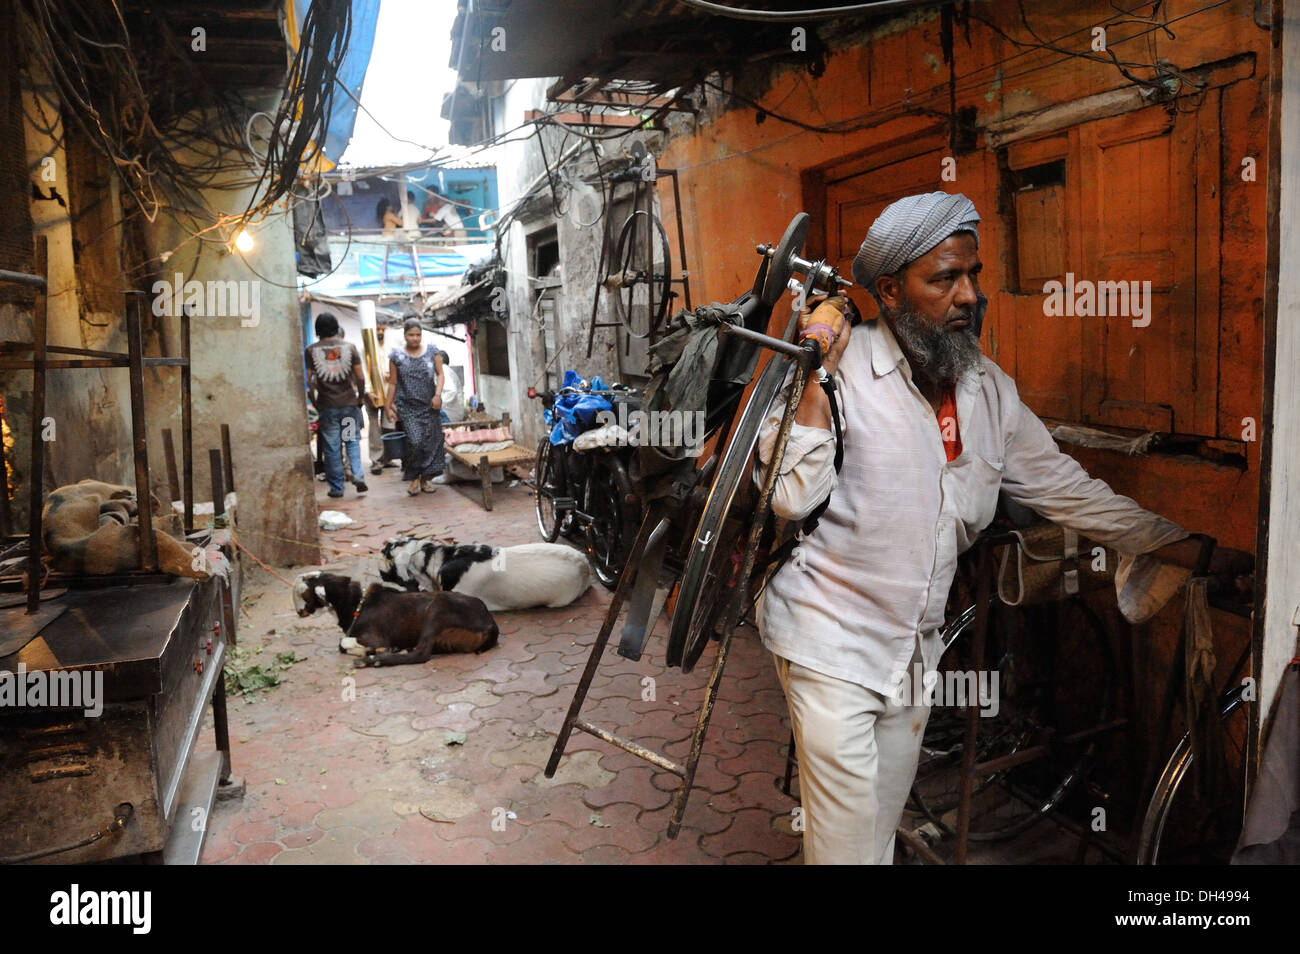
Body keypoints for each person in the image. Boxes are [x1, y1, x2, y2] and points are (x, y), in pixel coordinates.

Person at [753, 191, 1252, 865]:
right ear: (892, 291)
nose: (968, 296)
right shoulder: (843, 374)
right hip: (827, 642)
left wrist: (1187, 548)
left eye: (973, 275)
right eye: (944, 279)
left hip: (912, 653)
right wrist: (816, 376)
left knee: (874, 830)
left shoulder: (987, 390)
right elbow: (788, 496)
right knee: (845, 848)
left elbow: (1065, 488)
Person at [305, 312, 368, 499]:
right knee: (351, 441)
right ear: (336, 326)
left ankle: (337, 488)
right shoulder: (350, 347)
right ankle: (357, 474)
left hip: (327, 407)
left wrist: (316, 403)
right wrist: (360, 397)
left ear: (318, 330)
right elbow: (360, 377)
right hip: (348, 405)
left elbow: (309, 381)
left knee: (332, 448)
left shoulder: (311, 350)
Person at [385, 317, 446, 495]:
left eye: (418, 335)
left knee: (432, 443)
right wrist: (388, 406)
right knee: (416, 441)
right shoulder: (396, 357)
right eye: (411, 335)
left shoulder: (432, 352)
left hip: (430, 405)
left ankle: (425, 479)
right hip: (408, 407)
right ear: (405, 335)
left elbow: (440, 374)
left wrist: (438, 395)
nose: (415, 338)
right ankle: (413, 477)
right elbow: (393, 383)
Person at [365, 321, 398, 475]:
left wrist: (391, 377)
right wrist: (367, 391)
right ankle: (376, 460)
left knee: (388, 425)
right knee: (373, 426)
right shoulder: (364, 347)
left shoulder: (391, 347)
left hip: (388, 392)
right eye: (377, 328)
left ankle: (387, 457)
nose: (380, 331)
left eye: (382, 328)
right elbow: (363, 372)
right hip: (372, 392)